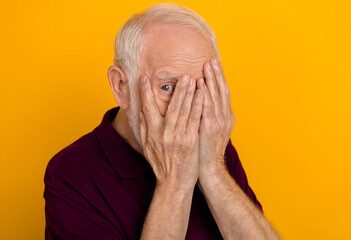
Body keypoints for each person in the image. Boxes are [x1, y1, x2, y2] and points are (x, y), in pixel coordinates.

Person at [43, 3, 280, 240]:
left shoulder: (213, 142)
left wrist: (214, 169)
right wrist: (174, 181)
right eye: (168, 87)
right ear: (121, 87)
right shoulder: (71, 174)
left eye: (203, 85)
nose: (190, 108)